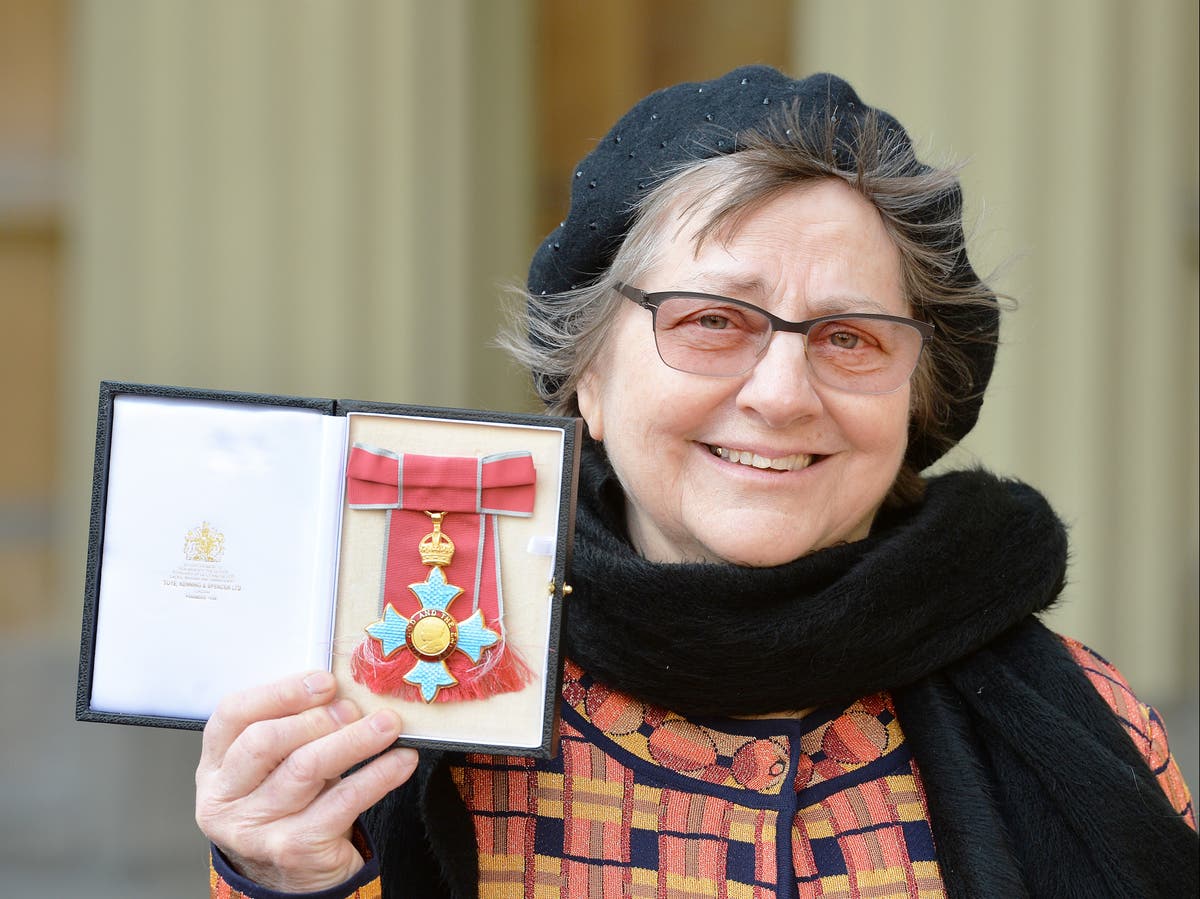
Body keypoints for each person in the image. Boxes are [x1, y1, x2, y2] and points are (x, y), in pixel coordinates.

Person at [196, 66, 1198, 898]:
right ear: (587, 371)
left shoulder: (1085, 719)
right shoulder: (396, 715)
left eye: (849, 338)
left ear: (914, 399)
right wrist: (287, 874)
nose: (780, 393)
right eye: (713, 320)